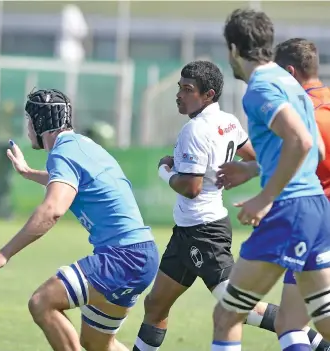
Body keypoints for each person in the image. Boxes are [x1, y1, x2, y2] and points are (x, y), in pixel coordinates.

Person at [135, 59, 330, 351]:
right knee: (155, 304)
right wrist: (230, 170)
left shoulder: (195, 130)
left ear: (208, 94)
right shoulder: (228, 120)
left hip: (204, 231)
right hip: (188, 231)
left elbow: (191, 188)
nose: (179, 94)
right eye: (180, 87)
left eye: (187, 89)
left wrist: (165, 170)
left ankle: (313, 342)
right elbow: (255, 155)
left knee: (237, 306)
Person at [0, 88, 159, 351]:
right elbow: (70, 182)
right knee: (95, 343)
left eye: (29, 121)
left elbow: (53, 210)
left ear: (40, 123)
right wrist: (28, 173)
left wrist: (5, 253)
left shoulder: (63, 154)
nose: (27, 128)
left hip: (123, 257)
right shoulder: (81, 146)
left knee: (42, 302)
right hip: (140, 254)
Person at [211, 9, 330, 351]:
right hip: (316, 210)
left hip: (290, 212)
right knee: (322, 320)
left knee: (227, 315)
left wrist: (265, 198)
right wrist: (256, 169)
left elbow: (303, 142)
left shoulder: (260, 87)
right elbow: (317, 149)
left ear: (233, 49)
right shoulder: (289, 81)